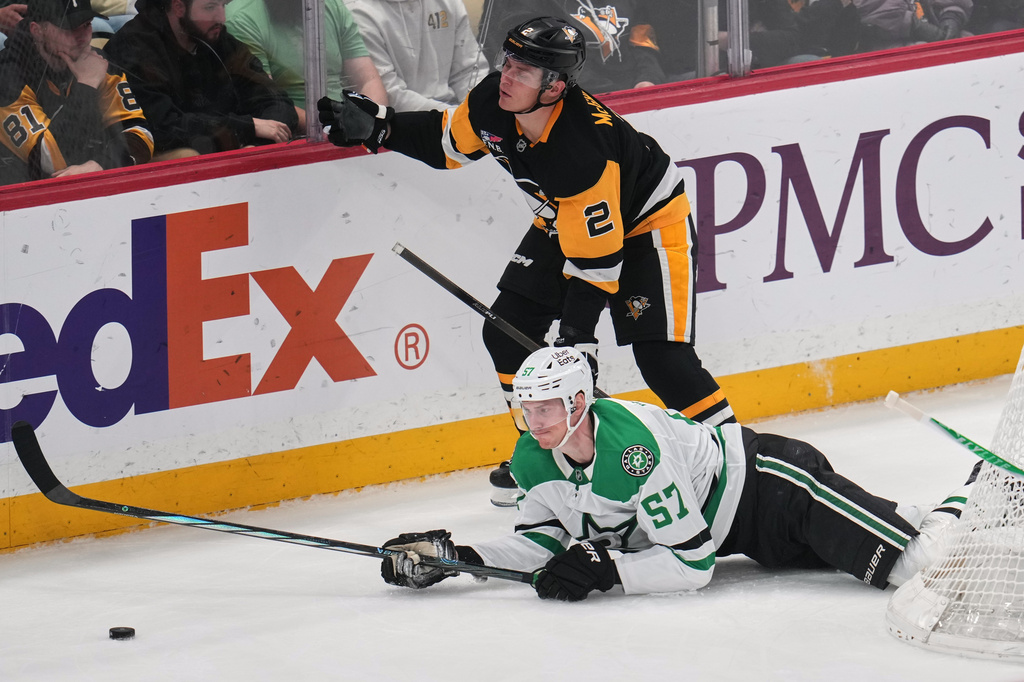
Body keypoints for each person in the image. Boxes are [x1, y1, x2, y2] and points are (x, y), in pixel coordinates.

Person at [318, 16, 735, 505]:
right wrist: (381, 127)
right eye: (509, 62)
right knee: (506, 332)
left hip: (647, 226)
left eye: (523, 71)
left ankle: (737, 459)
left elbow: (596, 262)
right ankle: (546, 453)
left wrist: (577, 339)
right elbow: (447, 144)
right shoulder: (492, 100)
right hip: (565, 219)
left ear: (554, 87)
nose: (507, 76)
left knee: (664, 361)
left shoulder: (581, 149)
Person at [377, 346, 975, 600]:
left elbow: (692, 565)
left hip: (774, 488)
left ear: (580, 402)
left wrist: (609, 571)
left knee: (914, 565)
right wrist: (459, 557)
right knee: (898, 529)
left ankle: (977, 494)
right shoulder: (532, 459)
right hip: (745, 538)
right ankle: (949, 509)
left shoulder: (634, 448)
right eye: (525, 409)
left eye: (546, 408)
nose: (534, 423)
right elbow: (542, 542)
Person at [104, 0, 297, 158]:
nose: (221, 18)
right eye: (210, 7)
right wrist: (245, 128)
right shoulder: (134, 48)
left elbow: (276, 100)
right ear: (179, 7)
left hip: (234, 161)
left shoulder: (219, 41)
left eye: (223, 5)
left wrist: (256, 145)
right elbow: (163, 128)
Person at [0, 0, 153, 185]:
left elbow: (140, 133)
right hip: (21, 194)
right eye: (69, 28)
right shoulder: (8, 76)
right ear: (37, 31)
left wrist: (102, 164)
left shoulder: (97, 62)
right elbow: (49, 159)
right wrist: (86, 84)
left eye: (86, 25)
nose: (82, 37)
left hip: (86, 187)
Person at [225, 0, 387, 130]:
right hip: (297, 137)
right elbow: (269, 103)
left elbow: (368, 80)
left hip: (349, 130)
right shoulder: (242, 18)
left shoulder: (331, 5)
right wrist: (336, 128)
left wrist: (372, 120)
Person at [477, 0, 665, 93]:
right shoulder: (519, 4)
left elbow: (642, 41)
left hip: (633, 92)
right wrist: (614, 94)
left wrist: (648, 79)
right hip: (569, 100)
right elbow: (542, 60)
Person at [346, 0, 489, 112]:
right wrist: (457, 118)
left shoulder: (448, 3)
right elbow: (391, 96)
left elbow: (469, 71)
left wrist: (481, 110)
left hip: (456, 117)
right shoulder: (357, 12)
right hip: (403, 126)